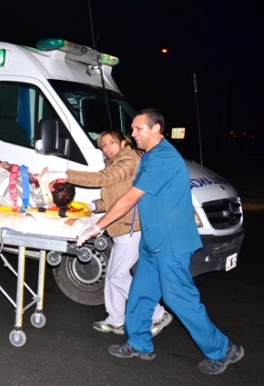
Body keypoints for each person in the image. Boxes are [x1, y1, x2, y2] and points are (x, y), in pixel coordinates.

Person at [77, 109, 244, 375]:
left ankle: (223, 350)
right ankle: (139, 343)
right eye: (132, 129)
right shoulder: (150, 156)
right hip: (153, 240)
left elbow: (131, 197)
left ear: (157, 129)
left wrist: (98, 227)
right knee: (141, 293)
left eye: (138, 129)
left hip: (171, 243)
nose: (133, 134)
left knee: (180, 300)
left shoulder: (162, 158)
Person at [66, 129, 172, 336]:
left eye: (111, 143)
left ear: (124, 142)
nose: (107, 149)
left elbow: (104, 178)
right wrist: (92, 206)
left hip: (131, 227)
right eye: (103, 146)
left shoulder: (129, 159)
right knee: (113, 275)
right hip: (122, 228)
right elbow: (112, 200)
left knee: (117, 276)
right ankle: (115, 319)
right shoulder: (114, 163)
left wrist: (65, 175)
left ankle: (157, 314)